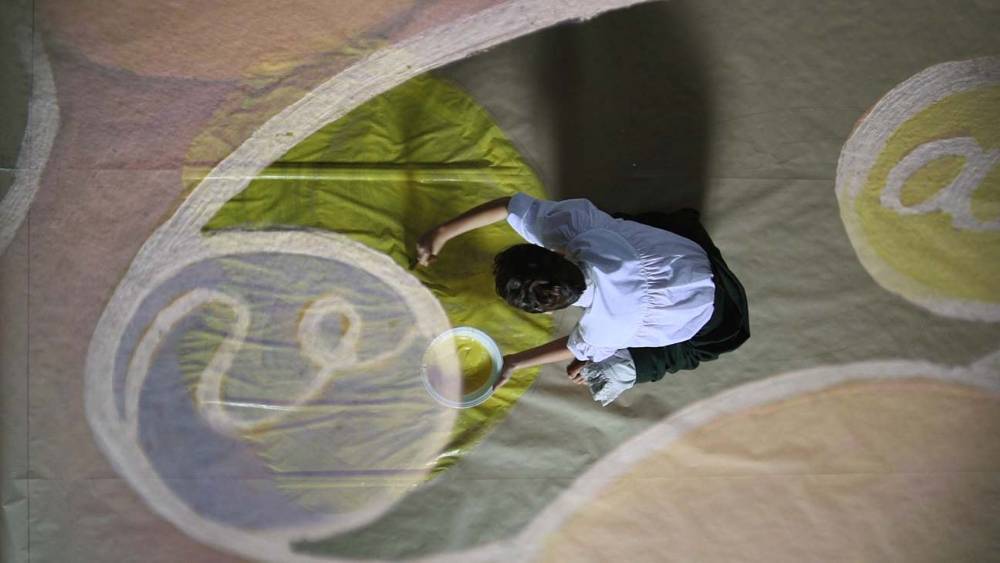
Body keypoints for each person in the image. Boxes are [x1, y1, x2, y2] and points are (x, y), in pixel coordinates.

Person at [415, 193, 749, 405]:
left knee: (612, 370)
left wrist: (515, 362)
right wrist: (442, 232)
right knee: (620, 224)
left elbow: (577, 348)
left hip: (708, 311)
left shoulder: (609, 326)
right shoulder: (578, 226)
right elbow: (509, 206)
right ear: (553, 252)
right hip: (685, 256)